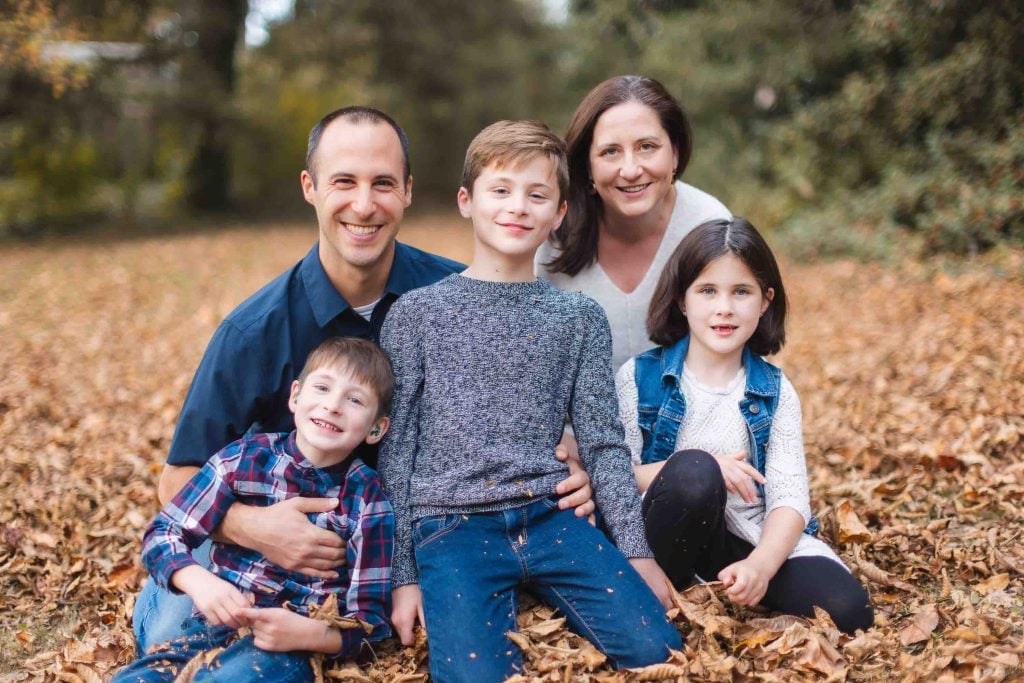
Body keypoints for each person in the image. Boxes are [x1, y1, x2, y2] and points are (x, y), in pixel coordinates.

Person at [133, 106, 596, 653]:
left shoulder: (457, 295)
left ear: (406, 191)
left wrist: (568, 456)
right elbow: (177, 477)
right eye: (343, 182)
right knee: (173, 638)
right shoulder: (254, 331)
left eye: (382, 183)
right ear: (310, 187)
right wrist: (250, 527)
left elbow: (531, 406)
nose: (363, 204)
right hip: (267, 543)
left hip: (423, 537)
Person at [379, 120, 681, 683]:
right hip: (451, 525)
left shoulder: (577, 319)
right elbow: (396, 453)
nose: (518, 207)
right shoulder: (417, 315)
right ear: (467, 201)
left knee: (657, 650)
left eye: (536, 195)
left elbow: (604, 443)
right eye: (501, 190)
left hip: (550, 517)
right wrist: (403, 576)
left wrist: (636, 550)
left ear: (558, 213)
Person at [614, 217, 874, 634]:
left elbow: (790, 498)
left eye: (741, 292)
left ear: (765, 300)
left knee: (849, 610)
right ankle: (673, 584)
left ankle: (727, 581)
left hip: (743, 536)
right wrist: (705, 465)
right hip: (666, 531)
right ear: (683, 299)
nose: (724, 308)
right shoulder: (639, 377)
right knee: (696, 472)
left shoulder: (774, 389)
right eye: (707, 291)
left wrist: (761, 566)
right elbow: (616, 475)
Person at [112, 337, 395, 682]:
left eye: (354, 400)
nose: (333, 405)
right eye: (322, 388)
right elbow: (162, 533)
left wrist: (309, 634)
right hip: (210, 620)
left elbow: (371, 621)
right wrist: (201, 583)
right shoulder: (242, 458)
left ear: (377, 428)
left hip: (286, 647)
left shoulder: (367, 498)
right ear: (295, 396)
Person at [537, 74, 730, 371]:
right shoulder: (552, 234)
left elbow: (740, 362)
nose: (630, 170)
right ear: (587, 165)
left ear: (675, 152)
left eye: (647, 146)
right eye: (610, 151)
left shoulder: (709, 227)